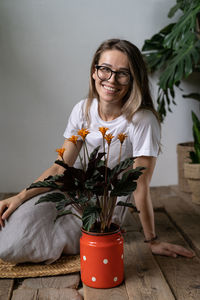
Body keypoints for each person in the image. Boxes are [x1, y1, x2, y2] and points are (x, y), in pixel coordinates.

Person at [0, 38, 194, 263]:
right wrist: (21, 196)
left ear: (133, 79)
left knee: (17, 247)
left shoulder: (142, 120)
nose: (112, 79)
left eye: (123, 73)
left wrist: (152, 240)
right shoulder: (82, 110)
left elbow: (140, 184)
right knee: (13, 227)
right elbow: (59, 167)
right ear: (94, 72)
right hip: (72, 192)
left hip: (106, 205)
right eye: (105, 70)